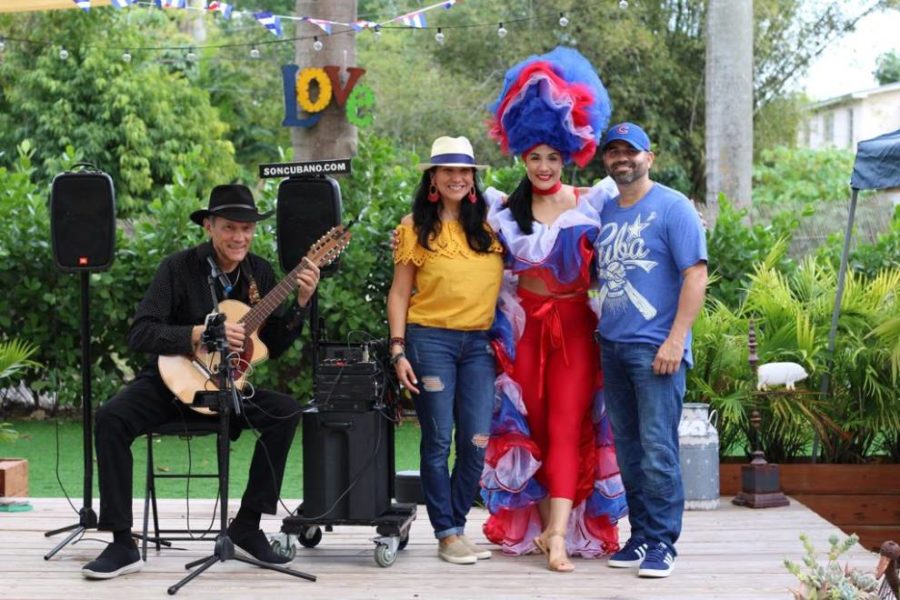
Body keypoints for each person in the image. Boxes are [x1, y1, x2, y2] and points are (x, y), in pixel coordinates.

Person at [82, 184, 320, 579]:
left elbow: (272, 344)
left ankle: (246, 526)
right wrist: (197, 333)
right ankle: (122, 543)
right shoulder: (177, 268)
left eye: (246, 229)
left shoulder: (260, 272)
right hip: (169, 383)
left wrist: (300, 305)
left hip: (228, 390)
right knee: (111, 417)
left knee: (286, 411)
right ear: (209, 226)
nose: (239, 237)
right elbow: (141, 332)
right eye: (229, 228)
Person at [478, 47, 627, 573]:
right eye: (535, 157)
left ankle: (560, 535)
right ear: (522, 158)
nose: (544, 167)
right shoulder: (502, 211)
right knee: (533, 429)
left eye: (552, 158)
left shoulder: (590, 203)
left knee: (567, 427)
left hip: (574, 332)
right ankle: (543, 529)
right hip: (523, 332)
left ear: (566, 157)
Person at [595, 122, 708, 578]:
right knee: (628, 449)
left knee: (658, 448)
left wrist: (676, 339)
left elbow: (695, 275)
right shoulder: (604, 210)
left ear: (649, 157)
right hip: (612, 346)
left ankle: (663, 542)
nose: (622, 158)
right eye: (614, 152)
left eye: (631, 151)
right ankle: (640, 536)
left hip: (657, 348)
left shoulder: (673, 207)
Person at [387, 136, 504, 565]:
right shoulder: (413, 226)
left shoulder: (492, 226)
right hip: (430, 339)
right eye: (447, 170)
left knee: (476, 440)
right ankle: (447, 532)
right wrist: (398, 350)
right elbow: (399, 293)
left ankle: (455, 528)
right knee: (438, 439)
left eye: (464, 171)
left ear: (473, 179)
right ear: (433, 178)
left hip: (478, 344)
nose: (456, 177)